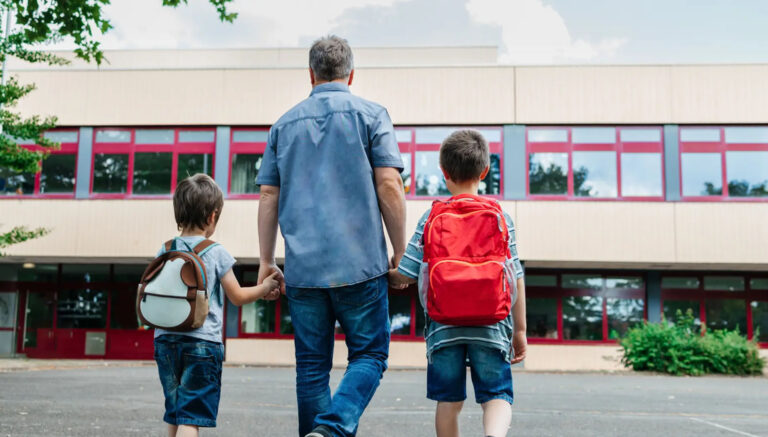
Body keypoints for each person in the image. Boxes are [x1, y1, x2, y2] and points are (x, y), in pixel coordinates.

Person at [256, 35, 407, 437]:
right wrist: (401, 251)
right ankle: (333, 428)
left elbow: (269, 194)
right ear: (351, 74)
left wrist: (267, 261)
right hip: (361, 266)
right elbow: (389, 184)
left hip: (304, 270)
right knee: (370, 354)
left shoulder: (283, 125)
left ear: (311, 74)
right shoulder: (372, 115)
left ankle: (322, 432)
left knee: (311, 368)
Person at [389, 130, 527, 437]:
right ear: (485, 170)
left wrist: (389, 271)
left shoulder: (431, 217)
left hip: (443, 327)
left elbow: (406, 275)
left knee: (448, 402)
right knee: (496, 396)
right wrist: (520, 330)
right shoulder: (501, 217)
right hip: (493, 325)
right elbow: (515, 275)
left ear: (444, 172)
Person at [153, 174, 281, 437]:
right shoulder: (215, 252)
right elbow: (237, 296)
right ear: (212, 217)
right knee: (192, 416)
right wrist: (266, 287)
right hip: (202, 343)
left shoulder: (165, 249)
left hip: (164, 341)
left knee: (175, 412)